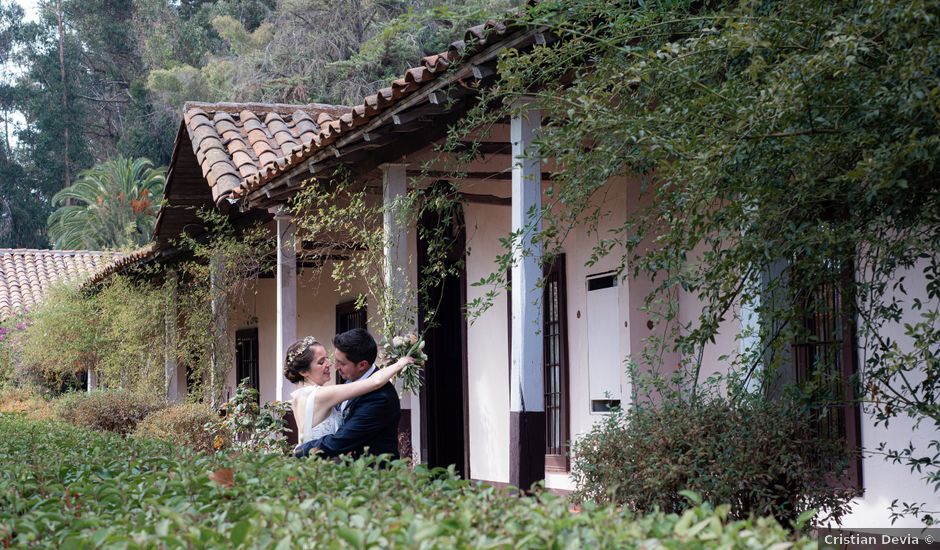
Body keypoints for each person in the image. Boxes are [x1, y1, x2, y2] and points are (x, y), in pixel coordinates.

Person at [294, 328, 404, 460]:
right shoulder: (349, 383)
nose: (335, 366)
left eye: (341, 363)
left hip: (372, 475)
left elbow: (341, 441)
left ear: (362, 365)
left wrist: (302, 450)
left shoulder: (380, 397)